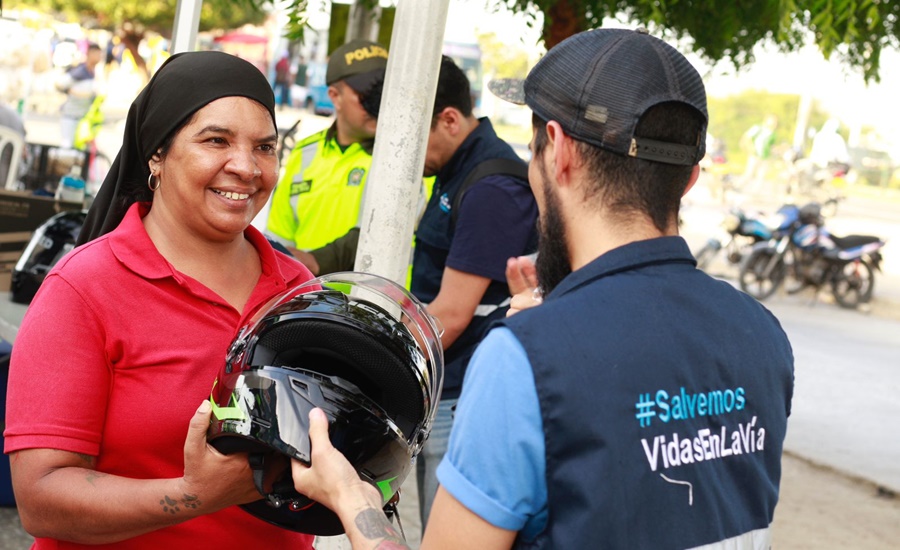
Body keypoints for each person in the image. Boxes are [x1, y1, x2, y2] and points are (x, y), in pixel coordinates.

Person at [289, 27, 795, 550]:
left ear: (558, 152)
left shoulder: (525, 359)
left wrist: (353, 497)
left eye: (532, 150)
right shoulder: (761, 331)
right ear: (689, 179)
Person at [4, 50, 316, 549]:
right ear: (157, 155)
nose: (246, 167)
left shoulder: (299, 292)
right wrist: (195, 495)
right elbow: (41, 499)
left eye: (264, 147)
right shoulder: (84, 287)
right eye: (216, 140)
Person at [411, 55, 538, 528]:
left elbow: (451, 314)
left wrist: (379, 370)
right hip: (443, 388)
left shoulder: (491, 187)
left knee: (446, 534)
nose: (407, 150)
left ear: (449, 120)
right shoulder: (456, 168)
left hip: (461, 395)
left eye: (415, 133)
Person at [266, 39, 389, 273]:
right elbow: (279, 238)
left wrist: (316, 261)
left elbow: (385, 232)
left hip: (379, 295)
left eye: (385, 93)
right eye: (369, 94)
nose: (379, 103)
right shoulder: (305, 152)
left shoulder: (403, 158)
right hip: (310, 293)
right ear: (335, 96)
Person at [56, 42, 102, 149]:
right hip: (70, 116)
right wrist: (74, 93)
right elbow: (59, 84)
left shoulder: (92, 72)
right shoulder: (80, 71)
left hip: (83, 118)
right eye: (97, 54)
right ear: (90, 54)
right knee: (67, 147)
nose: (99, 57)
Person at [739, 113, 778, 194]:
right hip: (754, 155)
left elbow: (771, 146)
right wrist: (750, 148)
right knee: (749, 173)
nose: (774, 123)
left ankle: (755, 193)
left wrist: (775, 153)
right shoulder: (758, 128)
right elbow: (746, 137)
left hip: (765, 157)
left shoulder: (773, 134)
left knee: (761, 176)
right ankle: (738, 186)